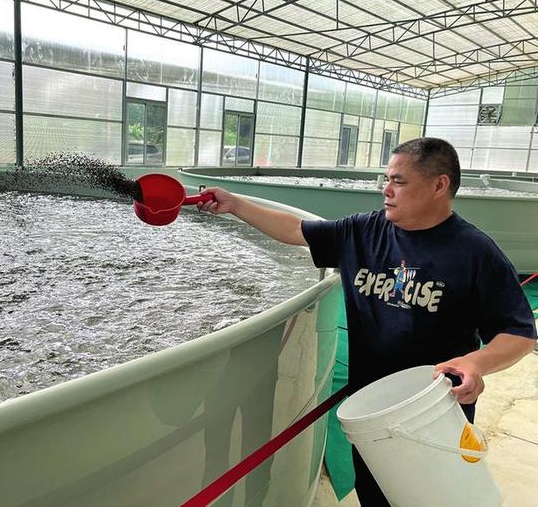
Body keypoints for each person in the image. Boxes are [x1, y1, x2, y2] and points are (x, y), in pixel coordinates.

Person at [197, 137, 537, 506]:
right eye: (386, 180)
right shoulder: (363, 231)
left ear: (440, 185)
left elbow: (518, 333)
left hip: (433, 412)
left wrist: (475, 362)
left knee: (437, 495)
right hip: (370, 410)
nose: (386, 191)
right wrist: (236, 205)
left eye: (399, 182)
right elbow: (297, 231)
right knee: (375, 493)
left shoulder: (474, 252)